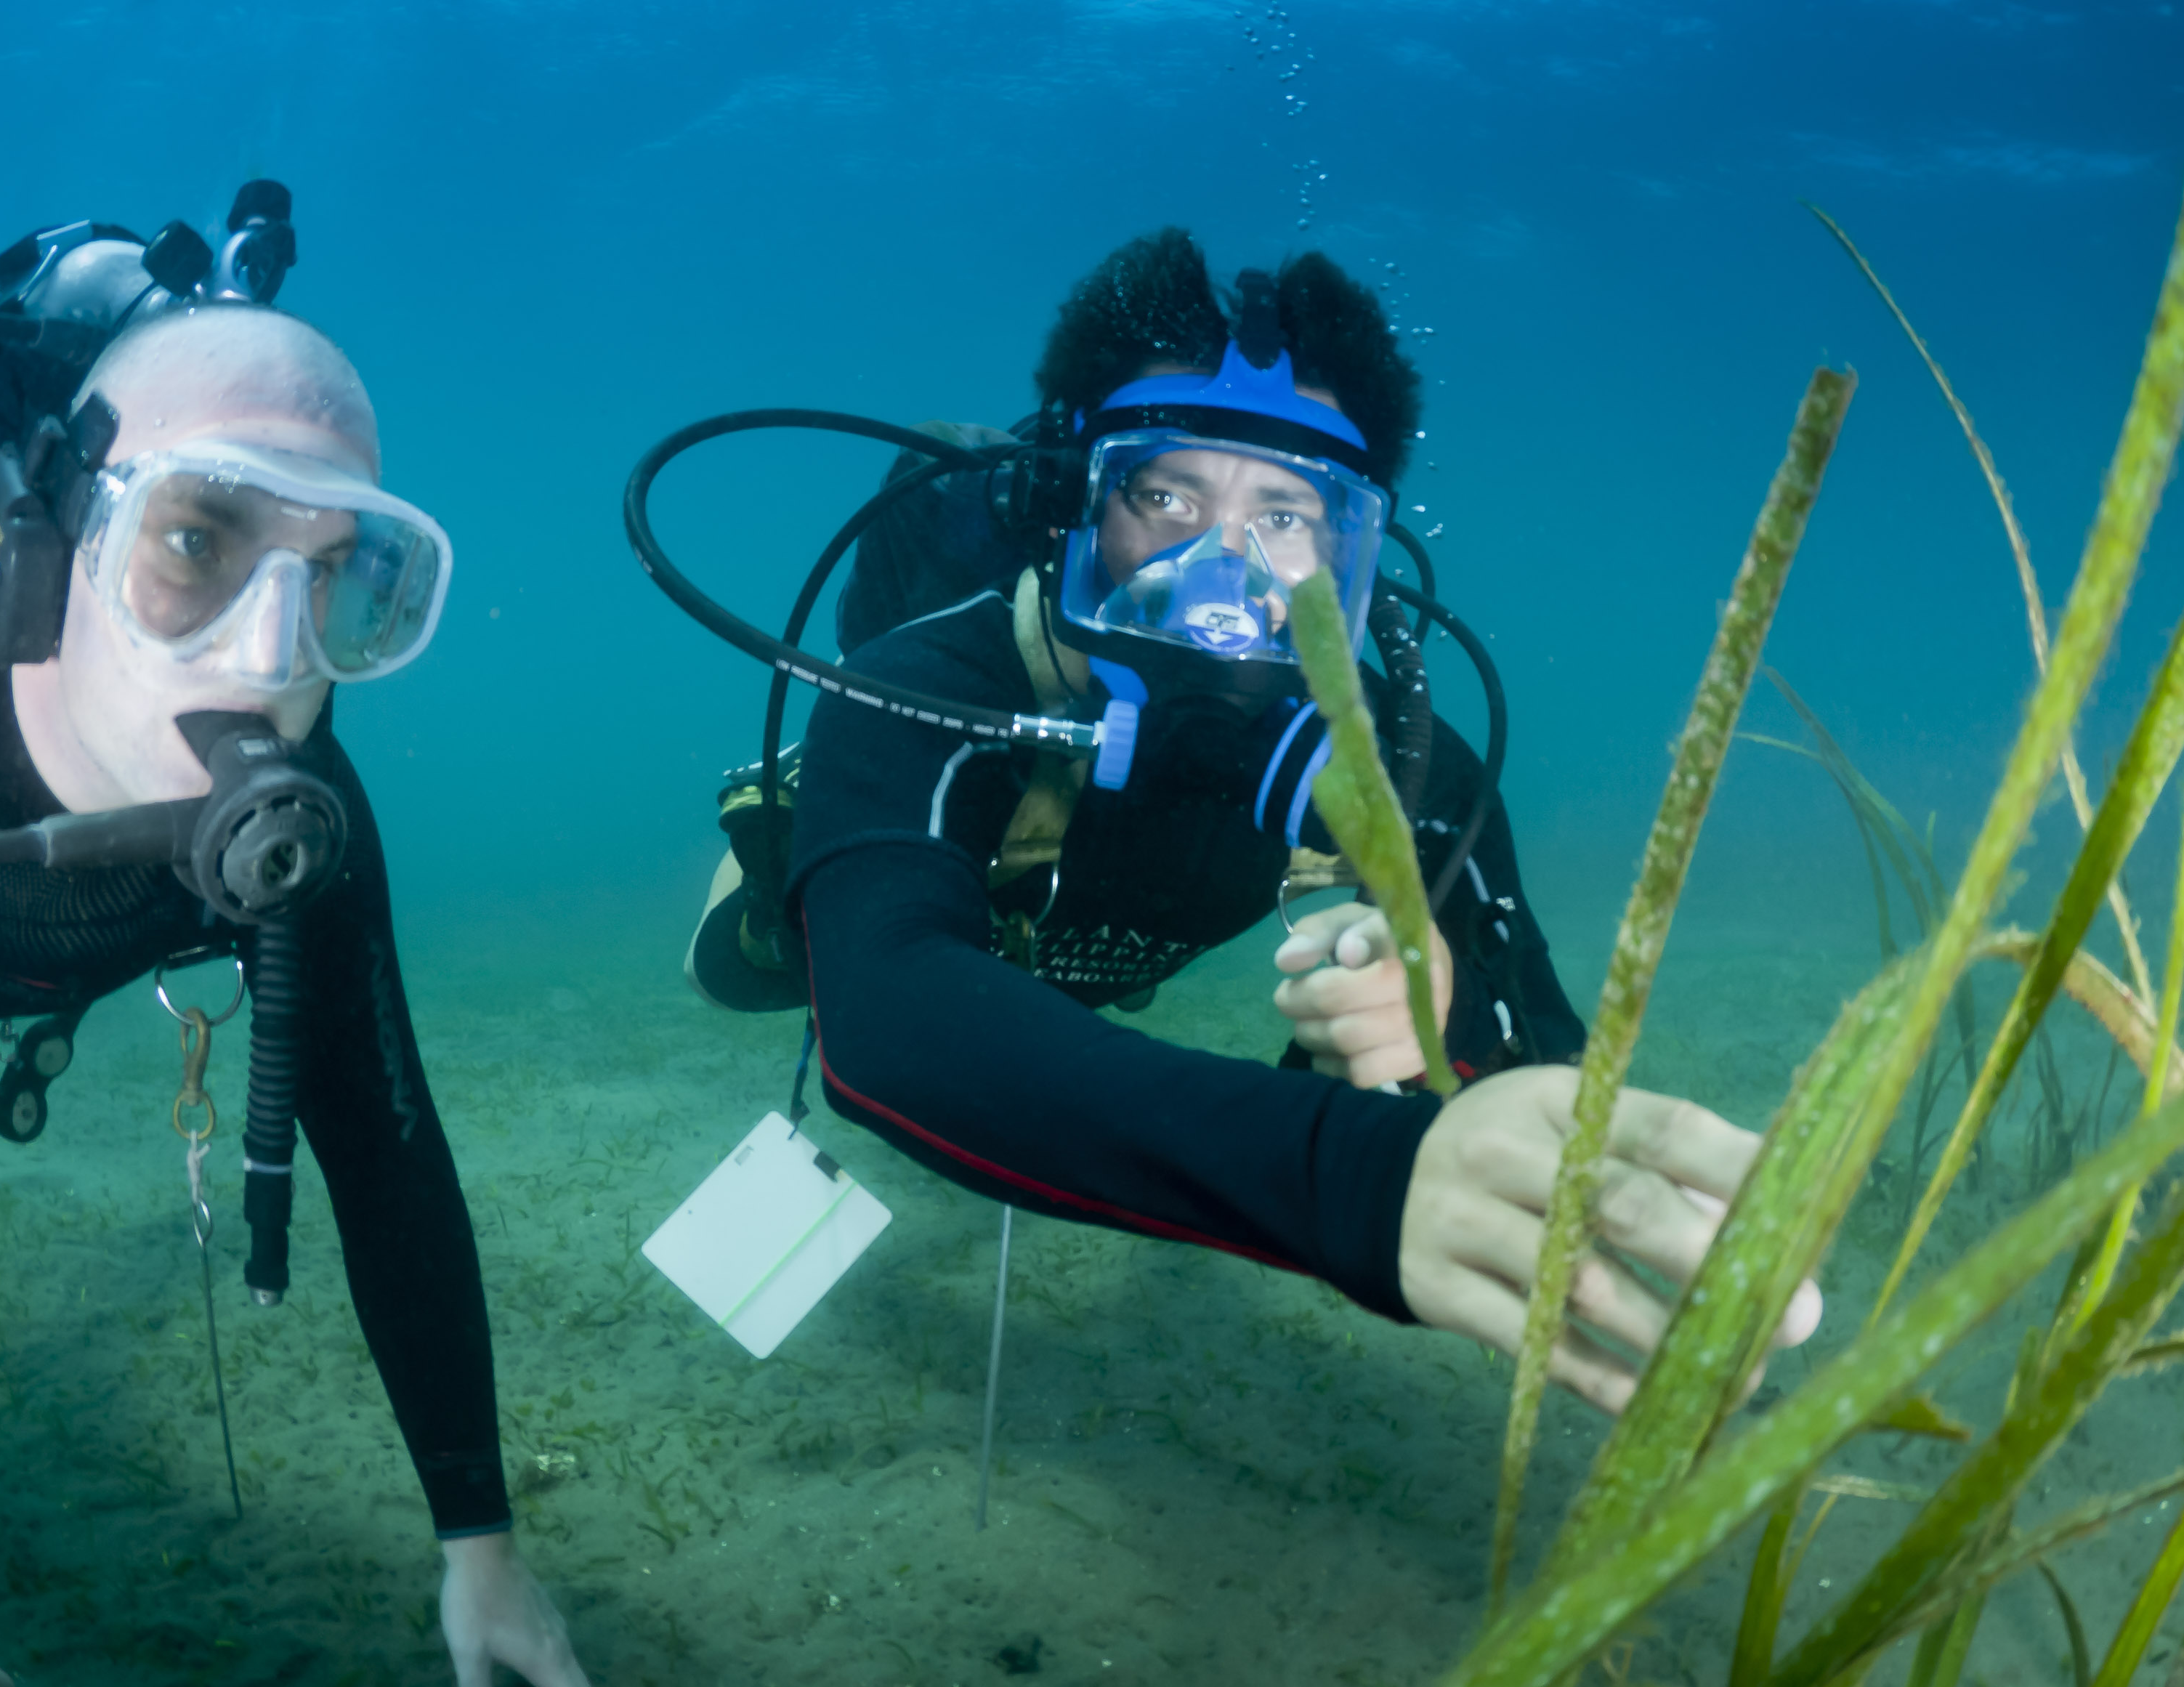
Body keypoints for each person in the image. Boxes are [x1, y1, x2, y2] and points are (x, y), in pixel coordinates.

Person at [0, 238, 598, 1687]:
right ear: (41, 545)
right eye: (197, 541)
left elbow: (388, 1157)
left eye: (345, 580)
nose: (272, 659)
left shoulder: (305, 826)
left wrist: (477, 1539)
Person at [686, 228, 1818, 1410]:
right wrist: (1345, 1178)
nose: (1219, 574)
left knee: (1144, 987)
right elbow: (892, 1022)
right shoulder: (925, 682)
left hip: (1098, 948)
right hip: (955, 890)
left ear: (1351, 553)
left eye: (1285, 516)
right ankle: (794, 869)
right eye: (1165, 491)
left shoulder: (1399, 762)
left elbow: (1538, 1050)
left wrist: (1440, 1039)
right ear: (1075, 499)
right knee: (741, 966)